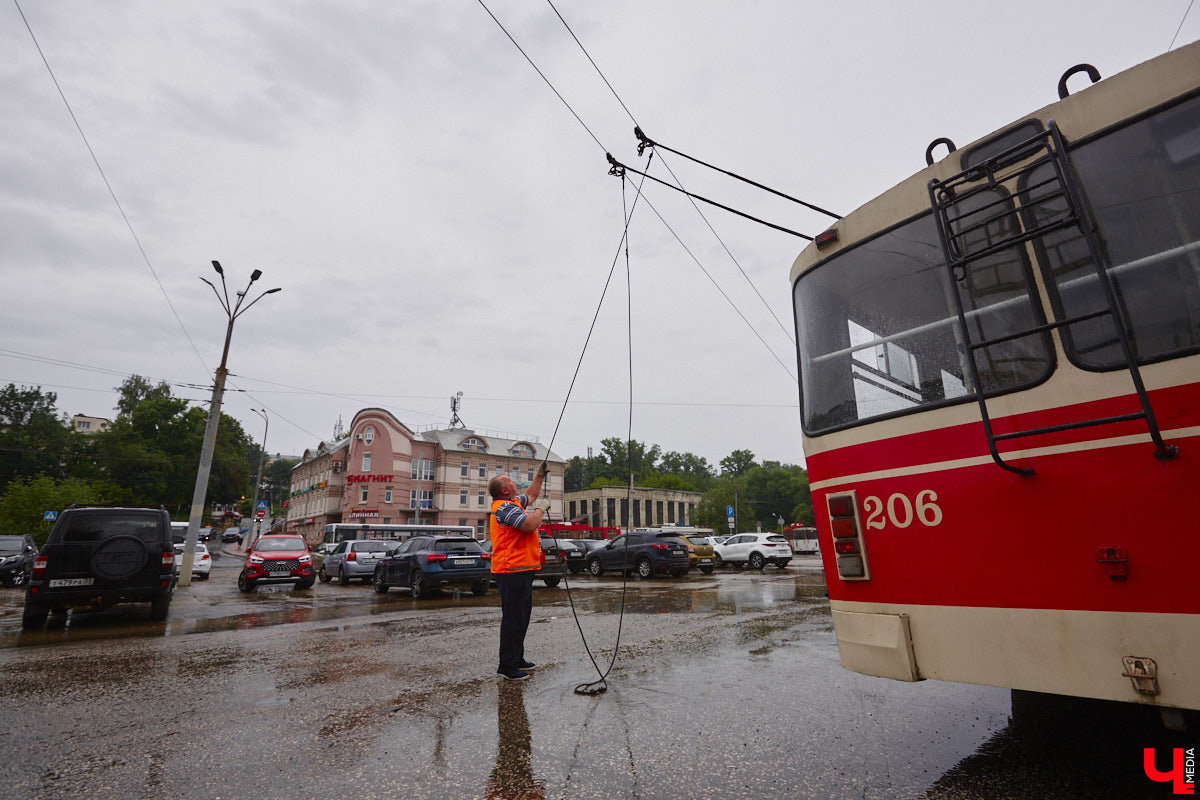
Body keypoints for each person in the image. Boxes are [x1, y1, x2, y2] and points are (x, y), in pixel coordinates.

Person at [489, 461, 551, 680]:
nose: (515, 484)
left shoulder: (513, 502)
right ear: (505, 490)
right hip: (510, 570)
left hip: (520, 569)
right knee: (513, 619)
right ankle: (507, 666)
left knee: (522, 617)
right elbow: (528, 524)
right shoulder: (504, 508)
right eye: (511, 482)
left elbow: (531, 495)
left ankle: (517, 658)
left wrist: (540, 476)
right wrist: (540, 510)